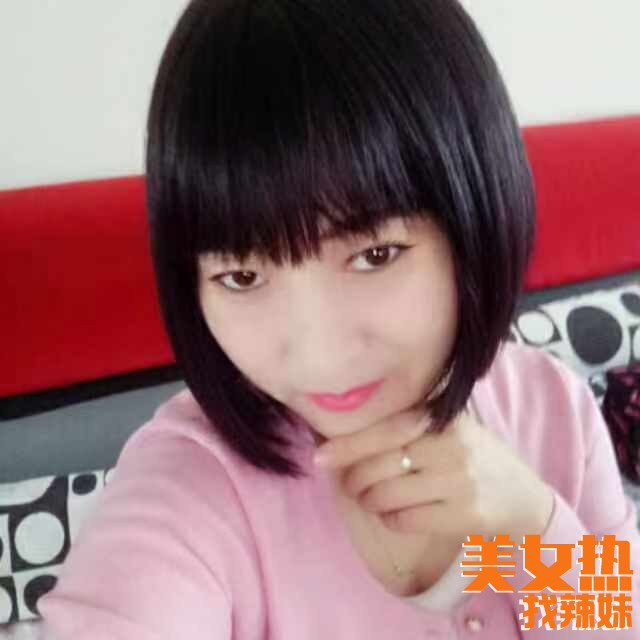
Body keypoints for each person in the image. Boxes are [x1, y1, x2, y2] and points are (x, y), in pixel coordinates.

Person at [38, 0, 640, 637]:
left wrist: (534, 526)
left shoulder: (553, 411)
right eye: (242, 277)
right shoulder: (195, 487)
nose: (320, 355)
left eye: (374, 255)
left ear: (475, 222)